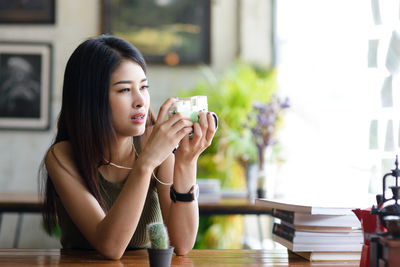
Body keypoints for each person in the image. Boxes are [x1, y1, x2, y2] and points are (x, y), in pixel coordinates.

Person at [39, 35, 216, 260]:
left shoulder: (153, 142)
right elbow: (110, 247)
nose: (140, 100)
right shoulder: (62, 156)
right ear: (91, 98)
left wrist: (186, 162)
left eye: (143, 87)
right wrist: (146, 163)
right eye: (124, 90)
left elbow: (181, 243)